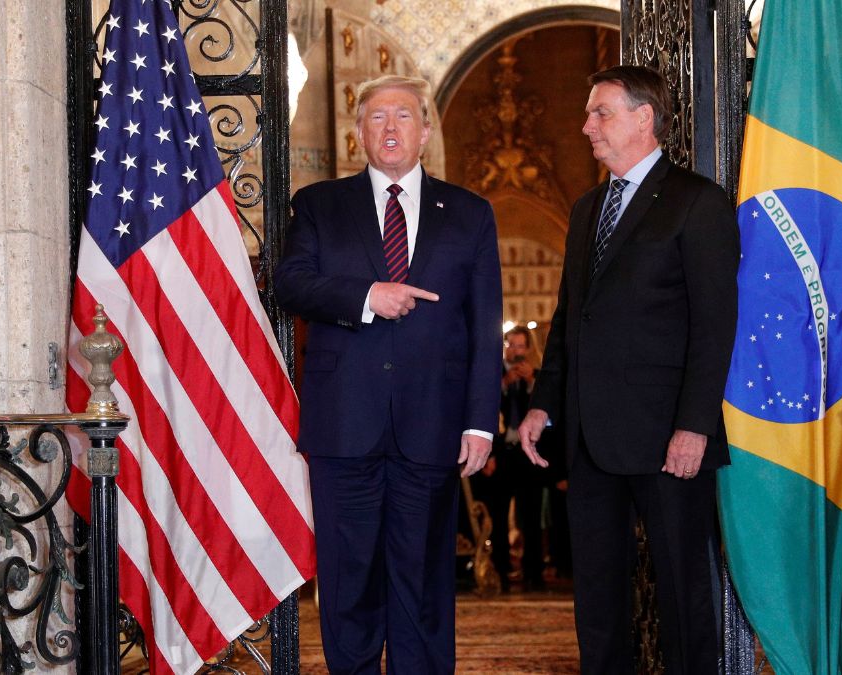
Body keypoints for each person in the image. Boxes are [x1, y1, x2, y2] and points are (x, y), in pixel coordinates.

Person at [274, 74, 503, 675]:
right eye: (377, 117)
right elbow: (291, 283)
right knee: (348, 585)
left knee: (423, 584)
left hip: (432, 424)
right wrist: (368, 296)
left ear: (425, 132)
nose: (391, 127)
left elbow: (485, 325)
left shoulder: (471, 215)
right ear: (359, 135)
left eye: (404, 116)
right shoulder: (321, 205)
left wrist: (481, 422)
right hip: (344, 426)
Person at [518, 65, 740, 674]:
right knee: (597, 599)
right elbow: (571, 318)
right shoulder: (589, 207)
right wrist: (543, 403)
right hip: (590, 438)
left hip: (669, 437)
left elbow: (715, 325)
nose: (587, 126)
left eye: (600, 113)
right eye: (590, 114)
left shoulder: (698, 202)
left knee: (682, 591)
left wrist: (694, 426)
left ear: (644, 119)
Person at [472, 325, 544, 591]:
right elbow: (484, 409)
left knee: (531, 517)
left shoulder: (537, 376)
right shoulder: (494, 375)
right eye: (510, 344)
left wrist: (530, 382)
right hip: (501, 456)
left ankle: (533, 574)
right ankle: (500, 572)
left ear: (528, 348)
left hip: (528, 456)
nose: (515, 350)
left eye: (520, 345)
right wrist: (503, 385)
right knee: (499, 517)